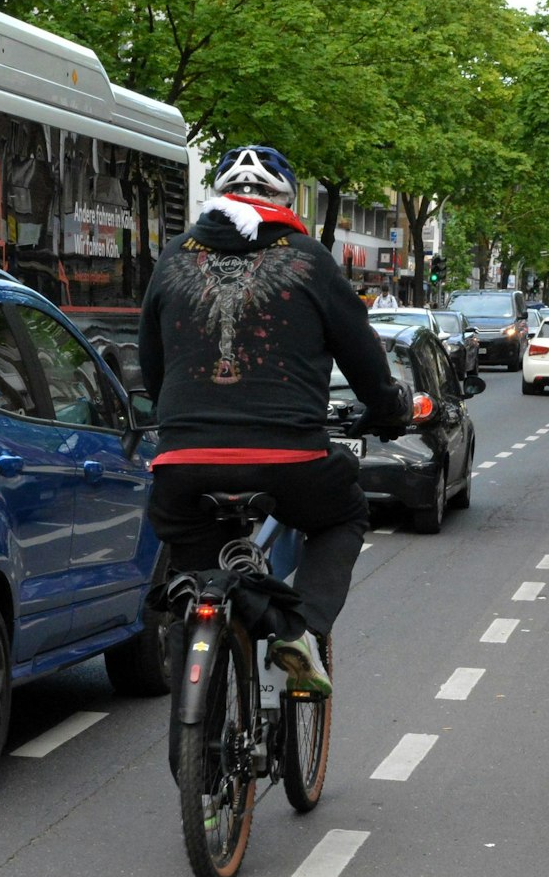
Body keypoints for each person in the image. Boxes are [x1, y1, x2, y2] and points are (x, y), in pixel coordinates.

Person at [137, 145, 408, 697]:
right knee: (343, 517)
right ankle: (299, 628)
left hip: (185, 462)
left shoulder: (172, 257)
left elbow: (151, 360)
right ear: (286, 201)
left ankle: (202, 645)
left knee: (196, 558)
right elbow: (360, 352)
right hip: (291, 460)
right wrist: (387, 409)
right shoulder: (310, 259)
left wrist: (179, 421)